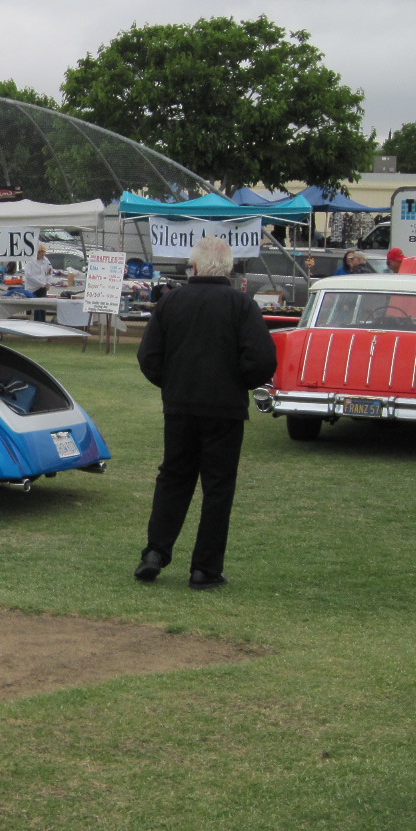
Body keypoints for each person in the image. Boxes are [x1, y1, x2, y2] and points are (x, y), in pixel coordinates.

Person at [134, 235, 278, 589]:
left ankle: (155, 552)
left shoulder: (171, 301)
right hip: (225, 409)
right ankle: (205, 569)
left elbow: (149, 356)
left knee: (173, 477)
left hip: (180, 406)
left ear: (194, 266)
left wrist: (172, 384)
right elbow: (262, 359)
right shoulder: (241, 305)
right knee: (218, 487)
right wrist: (239, 383)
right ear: (228, 268)